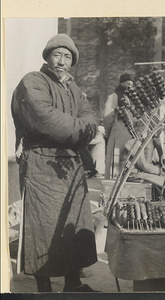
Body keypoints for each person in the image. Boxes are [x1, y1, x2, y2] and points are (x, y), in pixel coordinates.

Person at [11, 33, 99, 292]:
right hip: (42, 164)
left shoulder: (73, 88)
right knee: (43, 227)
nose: (61, 61)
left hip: (71, 165)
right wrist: (82, 128)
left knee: (75, 223)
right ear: (48, 57)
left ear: (72, 62)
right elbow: (46, 119)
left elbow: (91, 119)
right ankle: (44, 289)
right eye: (57, 55)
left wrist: (83, 127)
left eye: (68, 57)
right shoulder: (32, 81)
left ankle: (73, 284)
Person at [103, 73, 134, 179]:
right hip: (117, 133)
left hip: (129, 134)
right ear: (121, 83)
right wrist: (108, 132)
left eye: (131, 84)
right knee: (115, 159)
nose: (130, 86)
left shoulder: (130, 99)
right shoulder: (114, 97)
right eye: (127, 83)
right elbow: (107, 117)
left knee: (126, 161)